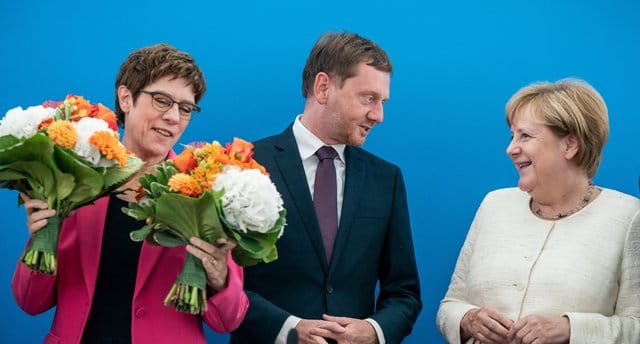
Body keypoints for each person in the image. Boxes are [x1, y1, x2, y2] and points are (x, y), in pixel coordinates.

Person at [12, 44, 249, 343]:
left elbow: (229, 319)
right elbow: (29, 302)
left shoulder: (205, 190)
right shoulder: (73, 178)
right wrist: (42, 237)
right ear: (126, 98)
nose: (174, 117)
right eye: (162, 101)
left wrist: (220, 279)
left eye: (185, 108)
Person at [231, 32, 422, 344]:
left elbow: (405, 293)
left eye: (383, 102)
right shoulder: (246, 165)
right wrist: (289, 329)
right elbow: (224, 285)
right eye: (369, 98)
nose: (379, 115)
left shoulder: (386, 180)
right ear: (323, 88)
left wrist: (373, 331)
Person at [436, 79, 640, 344]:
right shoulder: (493, 205)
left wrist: (571, 329)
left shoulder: (628, 216)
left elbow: (636, 326)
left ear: (569, 145)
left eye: (525, 136)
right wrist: (468, 319)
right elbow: (450, 304)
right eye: (512, 136)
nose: (511, 149)